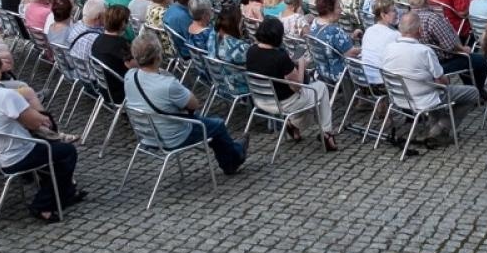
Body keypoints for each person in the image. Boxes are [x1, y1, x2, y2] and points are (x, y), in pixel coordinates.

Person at [0, 48, 81, 222]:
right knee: (66, 152)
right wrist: (40, 116)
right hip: (12, 157)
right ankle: (44, 205)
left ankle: (66, 193)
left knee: (49, 151)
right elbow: (35, 122)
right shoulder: (5, 95)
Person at [123, 31, 248, 174]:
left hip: (147, 134)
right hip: (173, 136)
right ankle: (234, 158)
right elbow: (194, 104)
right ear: (158, 55)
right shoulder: (167, 84)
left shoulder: (130, 76)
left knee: (207, 123)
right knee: (217, 125)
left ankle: (231, 151)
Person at [381, 11, 480, 142]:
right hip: (423, 99)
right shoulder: (424, 51)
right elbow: (442, 81)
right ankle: (441, 128)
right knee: (472, 92)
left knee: (431, 86)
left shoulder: (388, 48)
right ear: (419, 30)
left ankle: (433, 125)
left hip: (398, 97)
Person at [244, 18, 338, 151]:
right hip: (284, 102)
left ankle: (294, 126)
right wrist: (301, 64)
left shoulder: (251, 51)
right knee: (321, 88)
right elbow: (297, 86)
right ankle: (327, 132)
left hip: (261, 100)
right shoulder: (279, 57)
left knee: (309, 110)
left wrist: (291, 65)